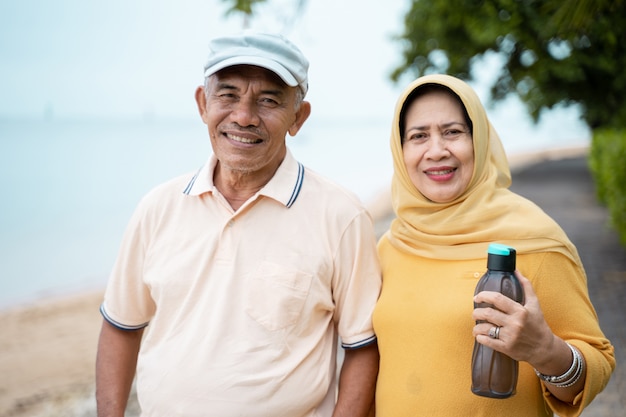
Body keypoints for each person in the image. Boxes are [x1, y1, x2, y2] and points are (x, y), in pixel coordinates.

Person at [95, 30, 381, 417]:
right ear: (202, 104)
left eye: (268, 100)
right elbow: (121, 327)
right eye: (228, 95)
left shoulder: (342, 216)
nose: (244, 117)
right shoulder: (157, 207)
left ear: (299, 117)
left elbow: (362, 348)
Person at [372, 74, 615, 416]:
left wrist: (545, 351)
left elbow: (598, 361)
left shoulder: (534, 240)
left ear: (480, 140)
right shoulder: (391, 246)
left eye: (453, 131)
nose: (437, 150)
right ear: (401, 151)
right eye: (418, 136)